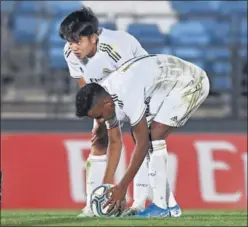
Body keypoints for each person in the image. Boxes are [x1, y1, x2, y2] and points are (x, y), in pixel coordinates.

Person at [75, 54, 210, 217]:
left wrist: (123, 186)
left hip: (191, 81)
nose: (99, 121)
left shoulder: (125, 92)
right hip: (165, 84)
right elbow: (115, 142)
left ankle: (161, 207)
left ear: (107, 104)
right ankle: (161, 206)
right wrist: (109, 185)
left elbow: (143, 144)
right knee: (141, 134)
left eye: (99, 116)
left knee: (154, 135)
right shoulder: (105, 97)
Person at [59, 6, 153, 217]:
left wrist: (114, 121)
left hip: (142, 87)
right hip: (106, 92)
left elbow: (134, 84)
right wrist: (99, 116)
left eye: (77, 41)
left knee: (141, 140)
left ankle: (138, 203)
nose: (73, 47)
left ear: (93, 38)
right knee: (98, 139)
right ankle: (92, 204)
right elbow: (87, 88)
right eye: (69, 41)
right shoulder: (70, 53)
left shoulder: (118, 46)